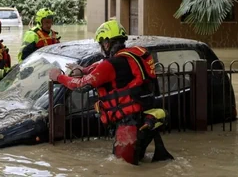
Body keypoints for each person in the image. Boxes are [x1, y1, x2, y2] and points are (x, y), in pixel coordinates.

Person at [48, 19, 173, 165]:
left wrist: (59, 77)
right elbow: (101, 67)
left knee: (123, 168)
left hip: (128, 125)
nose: (101, 48)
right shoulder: (130, 57)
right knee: (135, 162)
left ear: (107, 43)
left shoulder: (111, 64)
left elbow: (82, 86)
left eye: (101, 44)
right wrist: (84, 69)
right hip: (145, 118)